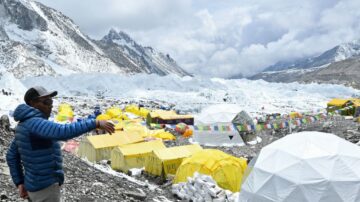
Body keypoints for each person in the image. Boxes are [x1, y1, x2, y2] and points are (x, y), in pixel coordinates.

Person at [6, 86, 115, 202]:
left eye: (51, 101)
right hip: (45, 187)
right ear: (33, 103)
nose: (51, 105)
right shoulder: (35, 123)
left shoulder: (23, 125)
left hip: (34, 186)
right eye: (46, 101)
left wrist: (20, 183)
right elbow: (62, 132)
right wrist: (95, 123)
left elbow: (11, 155)